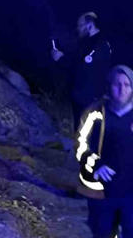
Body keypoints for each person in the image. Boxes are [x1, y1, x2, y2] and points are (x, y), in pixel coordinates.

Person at [75, 65, 133, 237]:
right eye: (117, 84)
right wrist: (95, 164)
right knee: (101, 232)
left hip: (131, 191)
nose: (122, 89)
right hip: (101, 189)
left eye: (127, 85)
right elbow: (80, 143)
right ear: (109, 86)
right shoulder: (95, 112)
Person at [52, 12, 113, 129]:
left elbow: (83, 67)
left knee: (87, 132)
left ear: (89, 25)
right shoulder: (85, 43)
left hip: (91, 99)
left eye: (80, 25)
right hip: (79, 96)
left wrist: (61, 59)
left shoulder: (100, 44)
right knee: (78, 129)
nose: (78, 29)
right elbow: (75, 62)